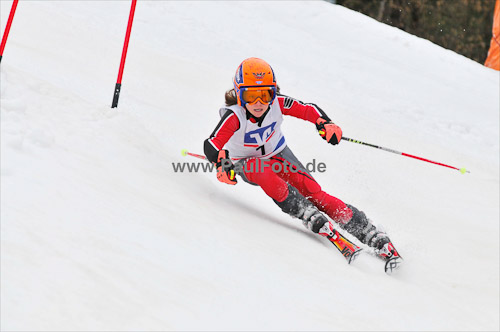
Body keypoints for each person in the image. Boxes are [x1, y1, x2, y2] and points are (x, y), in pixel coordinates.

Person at [203, 57, 400, 260]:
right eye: (251, 95)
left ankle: (365, 230)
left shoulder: (277, 104)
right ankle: (301, 209)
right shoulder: (235, 116)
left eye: (265, 94)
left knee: (317, 195)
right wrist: (222, 164)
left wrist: (325, 123)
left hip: (279, 155)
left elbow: (307, 109)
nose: (259, 102)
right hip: (247, 164)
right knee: (258, 168)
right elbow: (211, 144)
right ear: (239, 94)